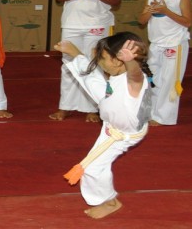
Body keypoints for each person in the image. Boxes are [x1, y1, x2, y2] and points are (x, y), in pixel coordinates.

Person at [56, 32, 152, 219]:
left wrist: (131, 62)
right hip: (112, 122)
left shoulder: (134, 81)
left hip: (120, 134)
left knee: (91, 168)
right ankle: (77, 55)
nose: (99, 60)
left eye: (103, 57)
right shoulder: (117, 76)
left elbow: (135, 75)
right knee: (94, 82)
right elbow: (98, 78)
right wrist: (75, 53)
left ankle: (110, 202)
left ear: (118, 61)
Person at [50, 0, 123, 122]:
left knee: (95, 63)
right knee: (69, 64)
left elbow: (116, 0)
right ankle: (65, 106)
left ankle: (93, 108)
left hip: (98, 23)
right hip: (72, 23)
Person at [138, 0, 191, 126]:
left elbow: (188, 22)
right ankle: (151, 113)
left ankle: (164, 117)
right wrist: (150, 10)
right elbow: (141, 20)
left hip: (175, 43)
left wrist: (166, 11)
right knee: (152, 79)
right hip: (155, 43)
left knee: (170, 80)